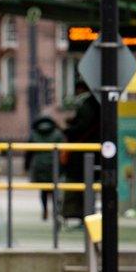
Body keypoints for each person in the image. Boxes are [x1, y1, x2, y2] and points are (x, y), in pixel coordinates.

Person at [61, 81, 100, 220]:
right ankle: (83, 213)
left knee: (79, 183)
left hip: (82, 152)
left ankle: (77, 213)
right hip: (89, 151)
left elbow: (83, 126)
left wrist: (69, 130)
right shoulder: (94, 103)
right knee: (85, 184)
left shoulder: (86, 105)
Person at [26, 115, 64, 221]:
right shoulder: (57, 134)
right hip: (54, 165)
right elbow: (63, 151)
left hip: (39, 165)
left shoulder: (34, 134)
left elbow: (28, 152)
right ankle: (56, 211)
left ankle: (45, 210)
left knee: (43, 189)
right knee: (55, 189)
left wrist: (26, 166)